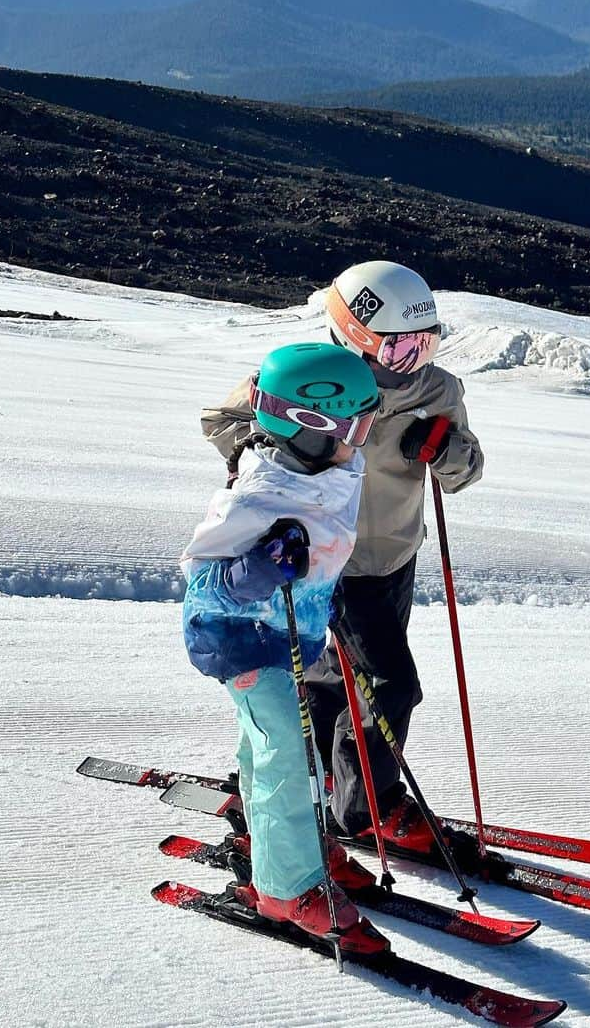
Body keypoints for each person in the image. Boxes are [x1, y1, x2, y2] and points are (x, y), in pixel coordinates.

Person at [201, 261, 484, 851]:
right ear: (354, 335)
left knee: (337, 673)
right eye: (399, 348)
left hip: (392, 556)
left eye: (425, 345)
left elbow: (465, 470)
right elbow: (224, 421)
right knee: (390, 683)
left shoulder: (437, 390)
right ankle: (364, 809)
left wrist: (444, 449)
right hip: (327, 559)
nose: (414, 362)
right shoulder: (309, 377)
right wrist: (275, 448)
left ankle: (325, 773)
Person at [180, 341, 387, 954]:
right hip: (241, 642)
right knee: (289, 759)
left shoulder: (324, 471)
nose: (364, 438)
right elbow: (202, 587)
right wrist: (256, 573)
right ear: (313, 429)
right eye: (357, 425)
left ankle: (279, 841)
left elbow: (327, 540)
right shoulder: (259, 496)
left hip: (293, 632)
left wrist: (323, 591)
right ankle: (286, 888)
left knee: (271, 747)